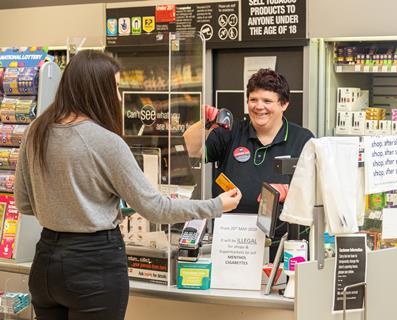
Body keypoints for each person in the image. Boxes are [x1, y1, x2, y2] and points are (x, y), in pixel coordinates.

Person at [14, 50, 241, 320]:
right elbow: (156, 209)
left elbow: (25, 203)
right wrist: (217, 205)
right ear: (98, 91)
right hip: (93, 265)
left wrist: (73, 206)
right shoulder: (106, 142)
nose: (119, 97)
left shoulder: (35, 131)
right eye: (116, 87)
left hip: (46, 265)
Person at [185, 68, 314, 213]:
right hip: (230, 230)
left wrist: (288, 190)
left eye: (267, 101)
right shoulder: (231, 131)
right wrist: (204, 124)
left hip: (282, 233)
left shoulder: (303, 139)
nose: (259, 106)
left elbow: (315, 187)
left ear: (283, 104)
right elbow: (190, 151)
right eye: (253, 100)